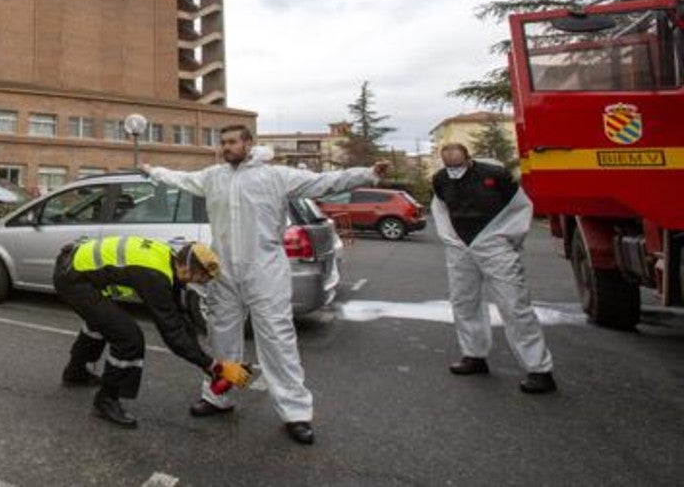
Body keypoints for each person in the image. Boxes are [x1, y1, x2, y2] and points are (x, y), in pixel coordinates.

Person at [141, 125, 389, 445]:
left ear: (249, 144)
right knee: (222, 337)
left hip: (265, 270)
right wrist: (152, 171)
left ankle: (296, 413)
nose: (226, 147)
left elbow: (323, 182)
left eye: (232, 142)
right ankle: (219, 397)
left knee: (276, 339)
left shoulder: (275, 177)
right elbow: (180, 178)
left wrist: (367, 174)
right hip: (223, 271)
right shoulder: (213, 176)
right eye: (223, 142)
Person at [54, 235, 252, 429]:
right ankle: (106, 400)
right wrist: (212, 366)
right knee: (129, 338)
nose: (196, 283)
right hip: (73, 280)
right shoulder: (154, 277)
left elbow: (178, 318)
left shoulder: (168, 259)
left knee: (101, 323)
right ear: (185, 266)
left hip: (74, 269)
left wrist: (207, 364)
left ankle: (75, 372)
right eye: (197, 278)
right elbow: (172, 333)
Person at [430, 143, 556, 393]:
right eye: (449, 165)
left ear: (469, 159)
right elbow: (441, 210)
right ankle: (474, 355)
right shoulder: (440, 180)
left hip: (495, 244)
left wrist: (507, 238)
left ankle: (539, 370)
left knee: (514, 305)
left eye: (458, 165)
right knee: (463, 302)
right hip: (459, 246)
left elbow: (520, 207)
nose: (454, 170)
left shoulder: (495, 175)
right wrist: (452, 240)